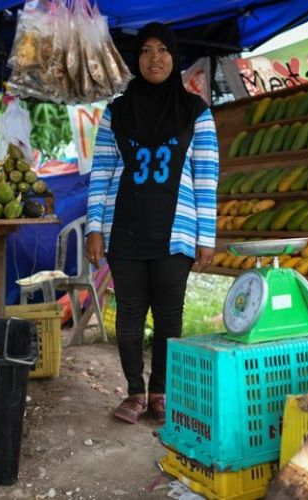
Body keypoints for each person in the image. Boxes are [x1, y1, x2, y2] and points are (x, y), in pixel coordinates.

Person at [85, 22, 219, 425]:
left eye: (163, 50)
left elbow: (207, 176)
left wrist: (206, 236)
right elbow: (103, 171)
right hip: (123, 228)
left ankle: (161, 393)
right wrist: (94, 227)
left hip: (176, 230)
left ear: (174, 57)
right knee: (128, 313)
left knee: (168, 316)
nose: (154, 58)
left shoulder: (196, 111)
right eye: (145, 50)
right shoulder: (117, 112)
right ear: (135, 58)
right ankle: (134, 393)